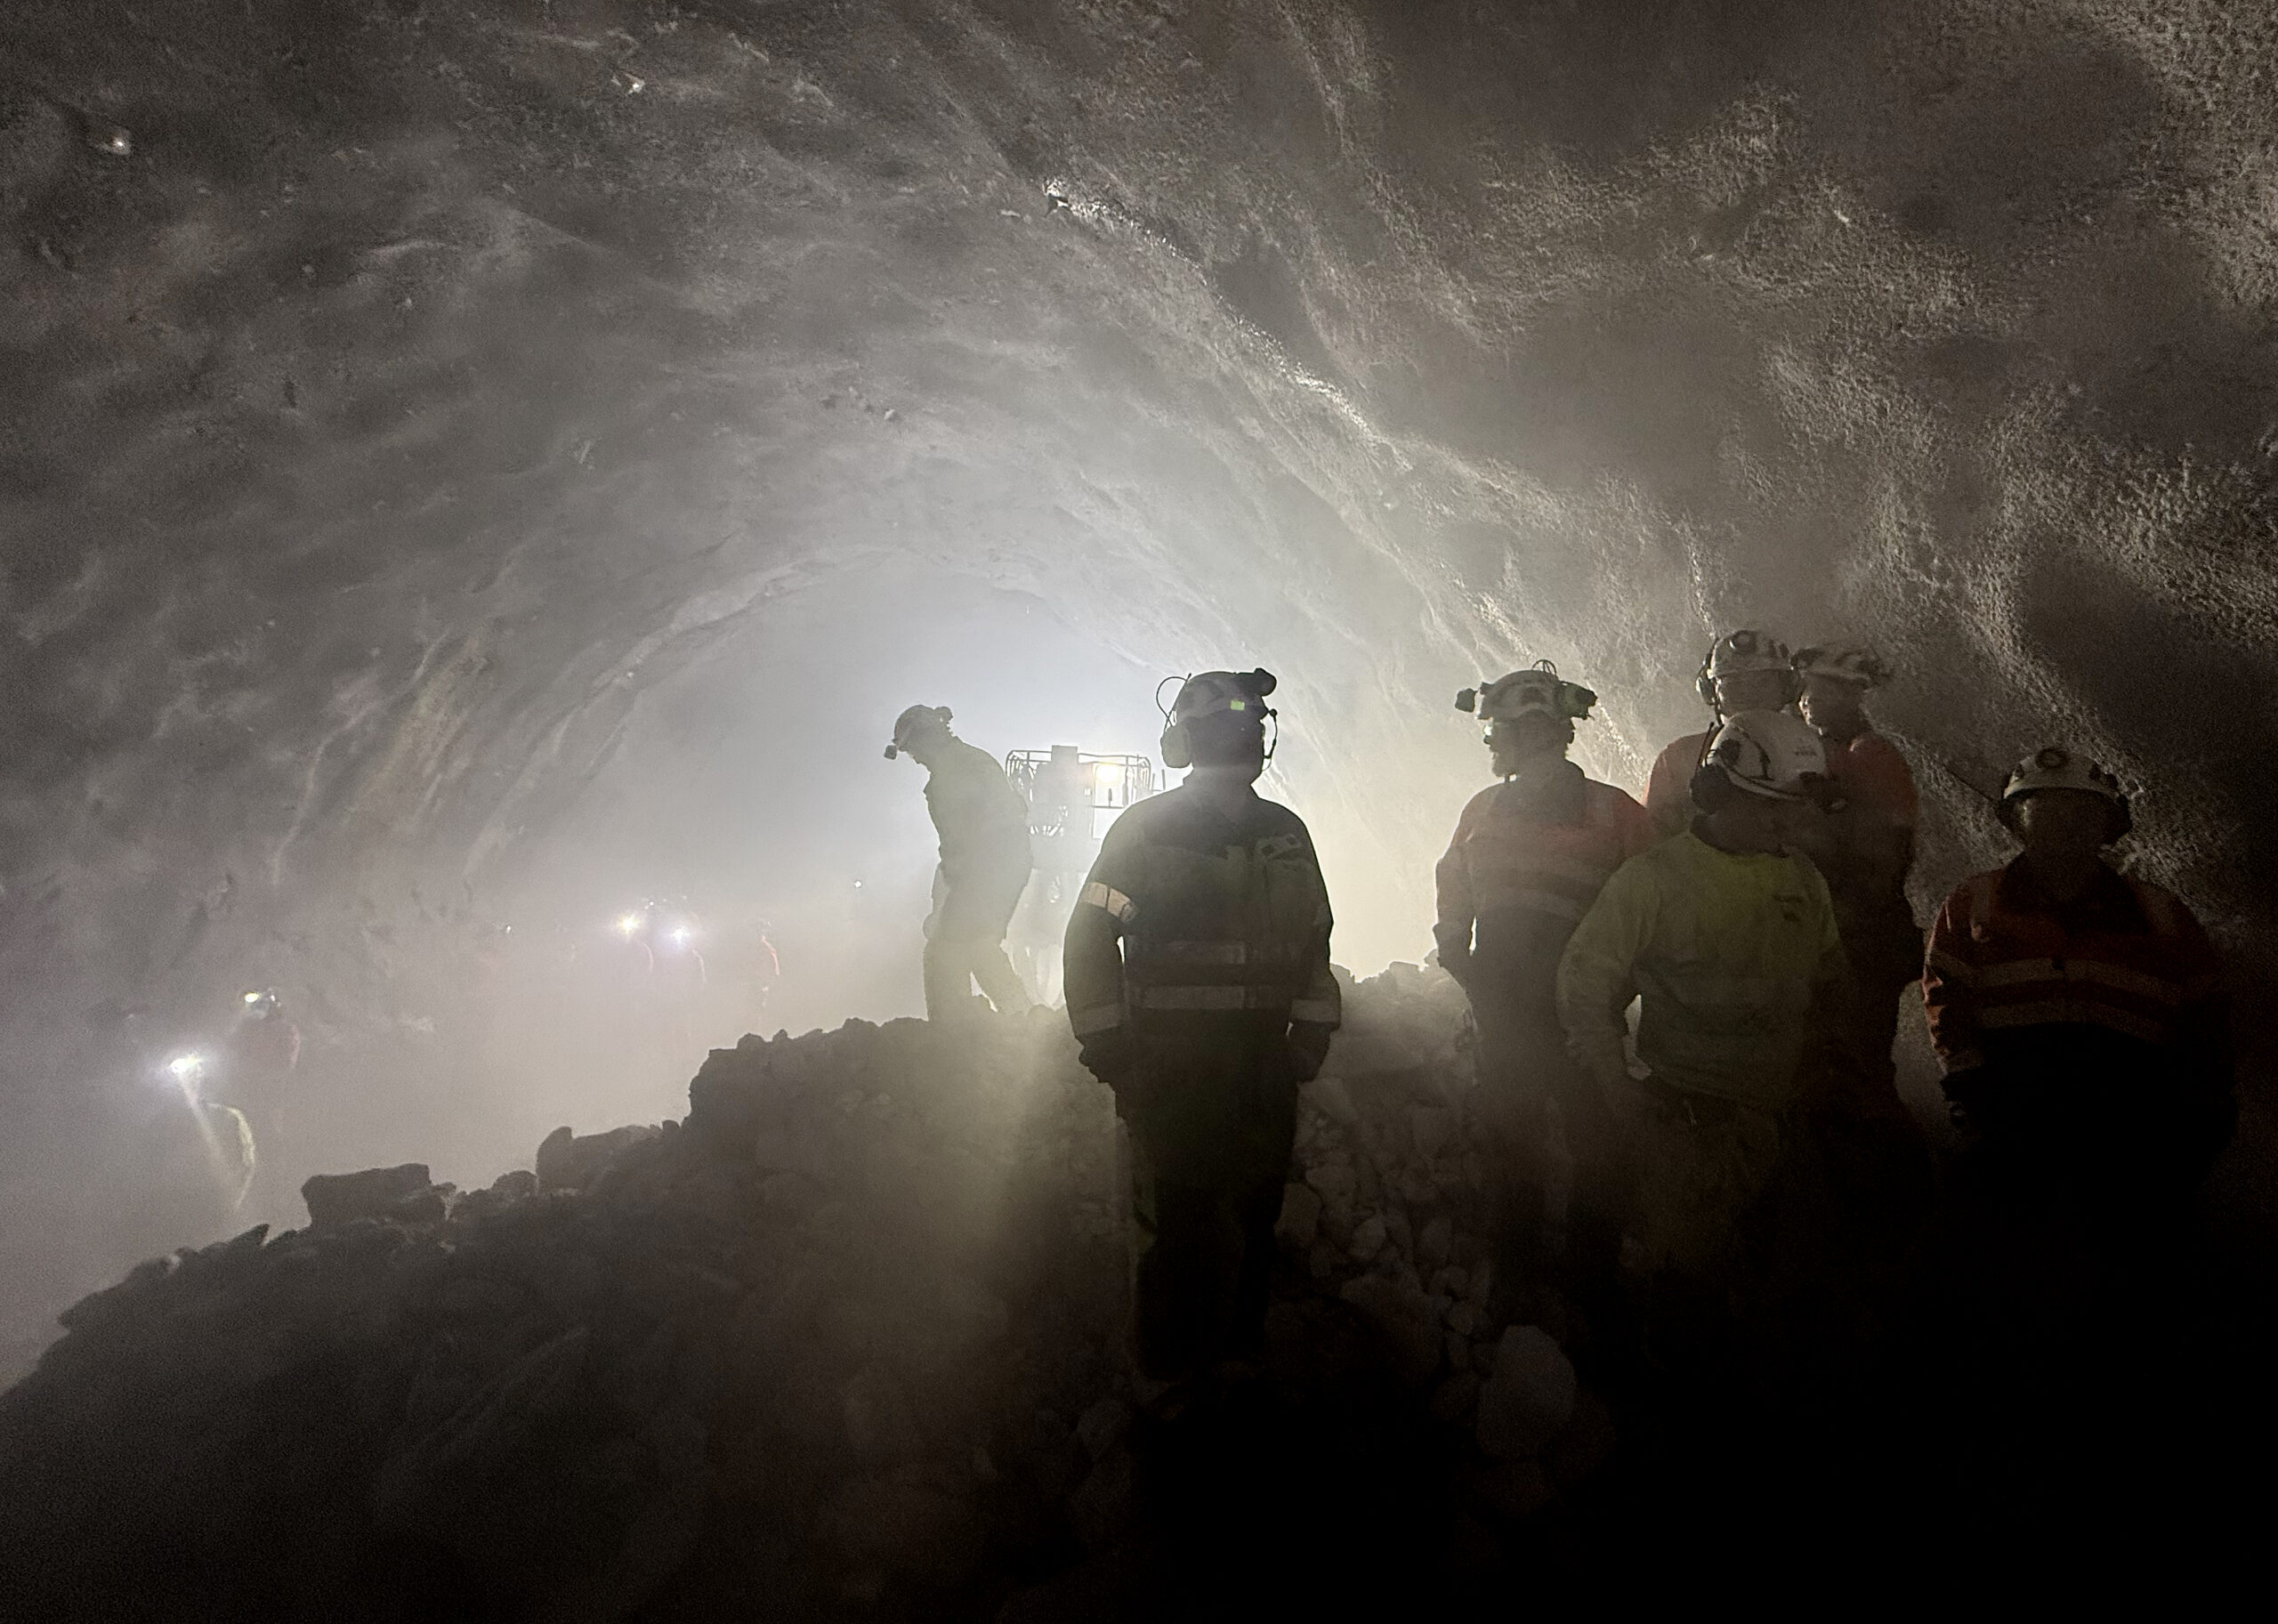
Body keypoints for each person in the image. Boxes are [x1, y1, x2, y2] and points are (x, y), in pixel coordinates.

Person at [1063, 669, 1339, 1393]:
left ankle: (1224, 1360)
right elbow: (1090, 936)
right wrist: (1116, 1050)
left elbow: (1313, 940)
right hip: (1182, 1068)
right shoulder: (1160, 830)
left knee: (1240, 1217)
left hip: (1242, 1068)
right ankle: (1168, 1371)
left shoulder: (1279, 832)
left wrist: (1308, 1036)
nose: (1238, 737)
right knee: (1178, 1223)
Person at [1557, 709, 1847, 1373]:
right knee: (1688, 1302)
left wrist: (1826, 1071)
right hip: (1686, 1127)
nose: (1786, 823)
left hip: (1774, 1125)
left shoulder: (1802, 880)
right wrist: (1615, 1085)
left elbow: (1833, 984)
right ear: (1718, 792)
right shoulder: (1654, 879)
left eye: (1794, 809)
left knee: (1777, 1296)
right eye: (1770, 806)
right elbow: (1582, 981)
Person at [1922, 747, 2231, 1261]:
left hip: (2131, 1131)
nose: (2063, 828)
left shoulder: (2161, 914)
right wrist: (1967, 1083)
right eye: (2045, 814)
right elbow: (1946, 1000)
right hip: (2011, 1116)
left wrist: (2204, 1107)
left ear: (2106, 826)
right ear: (2019, 824)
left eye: (2080, 814)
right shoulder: (1972, 903)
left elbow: (2206, 1016)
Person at [1434, 662, 1652, 1299]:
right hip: (1547, 1007)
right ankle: (1580, 1285)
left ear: (1527, 731)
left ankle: (1529, 1283)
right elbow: (1454, 876)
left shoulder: (1598, 812)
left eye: (1497, 730)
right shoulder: (1612, 812)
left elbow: (1648, 901)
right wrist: (1454, 944)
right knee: (1579, 1141)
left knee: (1539, 1140)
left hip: (1553, 1007)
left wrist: (1457, 946)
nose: (1491, 743)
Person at [1789, 643, 1922, 1090]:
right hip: (1845, 931)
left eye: (1819, 692)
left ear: (1850, 697)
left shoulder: (1869, 754)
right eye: (1806, 692)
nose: (1807, 701)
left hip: (1860, 937)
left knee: (1855, 1067)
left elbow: (1887, 856)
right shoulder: (1836, 752)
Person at [886, 705, 1036, 1021]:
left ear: (928, 737)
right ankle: (1023, 1017)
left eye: (914, 748)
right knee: (979, 946)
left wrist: (957, 888)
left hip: (987, 870)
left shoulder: (955, 771)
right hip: (1003, 867)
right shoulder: (969, 761)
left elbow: (966, 838)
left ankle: (951, 1032)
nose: (915, 757)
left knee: (943, 950)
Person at [1643, 629, 1798, 838]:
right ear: (1711, 692)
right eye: (1734, 683)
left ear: (1787, 689)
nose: (1748, 694)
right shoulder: (1678, 759)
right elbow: (1652, 840)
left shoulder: (1813, 750)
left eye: (1762, 683)